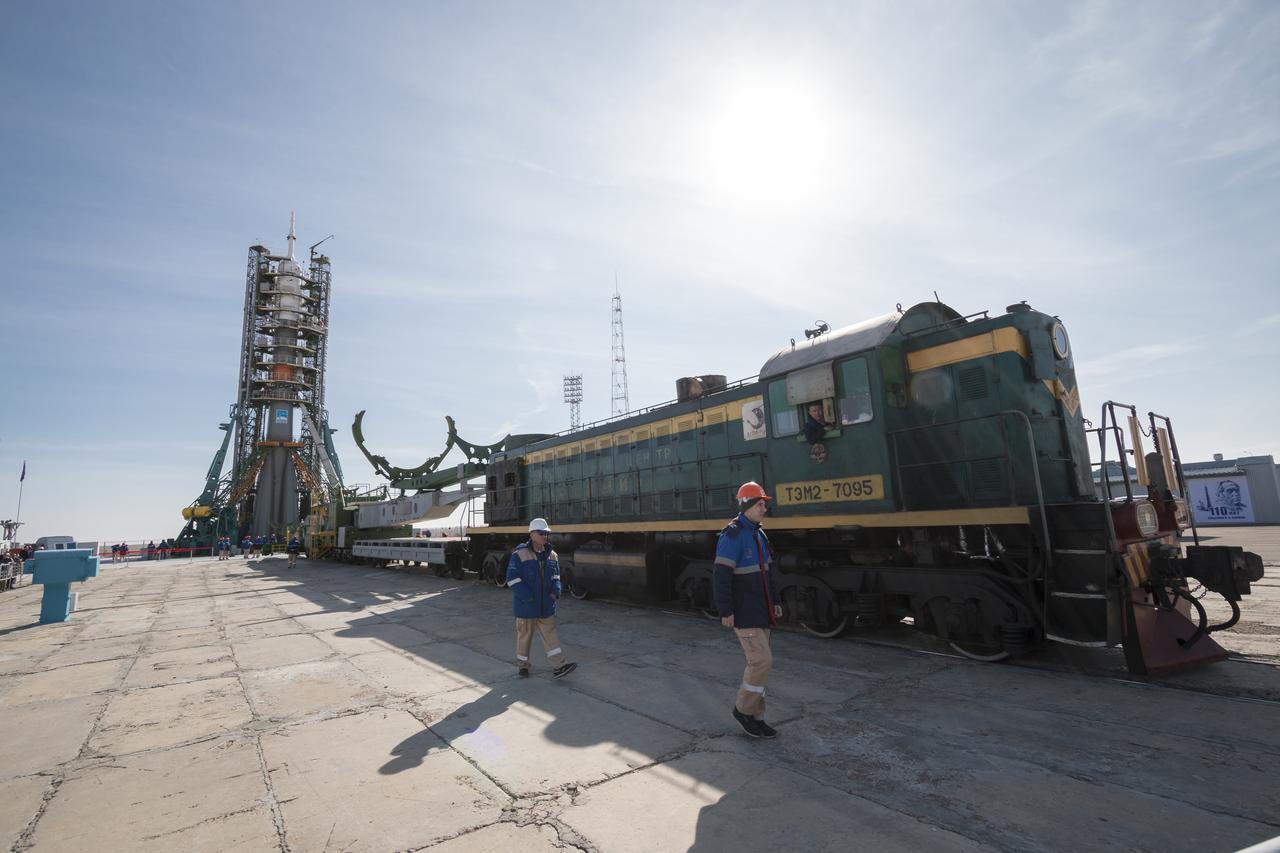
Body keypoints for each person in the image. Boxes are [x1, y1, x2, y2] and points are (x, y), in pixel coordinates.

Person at [714, 481, 784, 739]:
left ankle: (757, 717)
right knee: (760, 661)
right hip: (744, 611)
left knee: (761, 666)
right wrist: (726, 610)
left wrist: (775, 601)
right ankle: (742, 710)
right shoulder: (732, 535)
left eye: (765, 504)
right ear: (748, 506)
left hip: (761, 609)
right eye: (761, 504)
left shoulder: (758, 534)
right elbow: (721, 576)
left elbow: (768, 573)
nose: (765, 508)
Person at [505, 517, 577, 679]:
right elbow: (512, 578)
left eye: (546, 533)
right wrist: (528, 596)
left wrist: (555, 592)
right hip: (527, 605)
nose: (545, 536)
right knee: (525, 637)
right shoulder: (520, 554)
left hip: (546, 605)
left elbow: (556, 577)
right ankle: (523, 667)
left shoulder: (553, 556)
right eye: (541, 533)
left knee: (551, 636)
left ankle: (559, 666)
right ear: (532, 534)